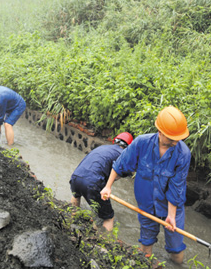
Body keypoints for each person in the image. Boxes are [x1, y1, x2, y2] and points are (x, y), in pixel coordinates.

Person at [100, 106, 191, 265]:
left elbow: (177, 186)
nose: (176, 142)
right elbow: (120, 165)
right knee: (146, 248)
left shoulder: (183, 154)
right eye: (171, 138)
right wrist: (108, 187)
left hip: (172, 209)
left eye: (178, 139)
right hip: (146, 206)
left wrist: (171, 215)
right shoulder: (142, 143)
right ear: (160, 132)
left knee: (176, 252)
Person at [70, 132, 134, 231]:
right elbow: (118, 174)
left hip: (75, 177)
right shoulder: (123, 155)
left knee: (76, 196)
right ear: (129, 147)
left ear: (115, 141)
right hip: (92, 183)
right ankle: (101, 241)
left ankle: (71, 221)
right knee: (109, 217)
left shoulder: (104, 147)